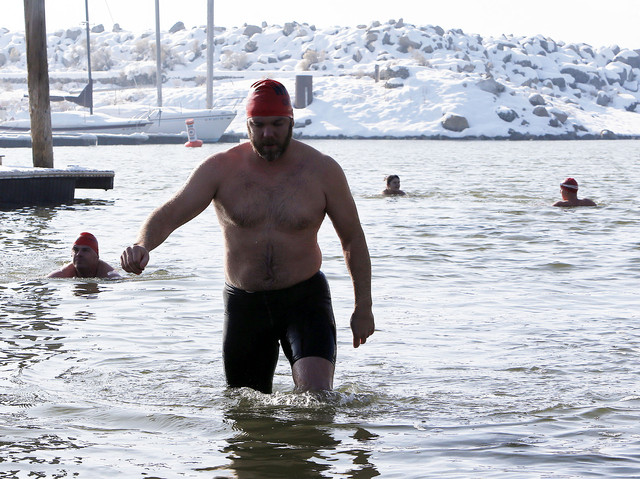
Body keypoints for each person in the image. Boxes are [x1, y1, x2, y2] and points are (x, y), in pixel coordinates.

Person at [120, 79, 374, 394]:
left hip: (305, 300)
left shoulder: (322, 171)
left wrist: (363, 306)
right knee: (246, 411)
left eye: (278, 124)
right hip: (246, 305)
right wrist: (142, 244)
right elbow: (171, 212)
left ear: (291, 121)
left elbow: (353, 238)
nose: (268, 134)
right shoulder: (220, 169)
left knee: (316, 400)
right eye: (259, 125)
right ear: (248, 124)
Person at [47, 232, 121, 279]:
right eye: (76, 250)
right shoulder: (61, 274)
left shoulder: (110, 275)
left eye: (85, 250)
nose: (79, 254)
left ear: (96, 256)